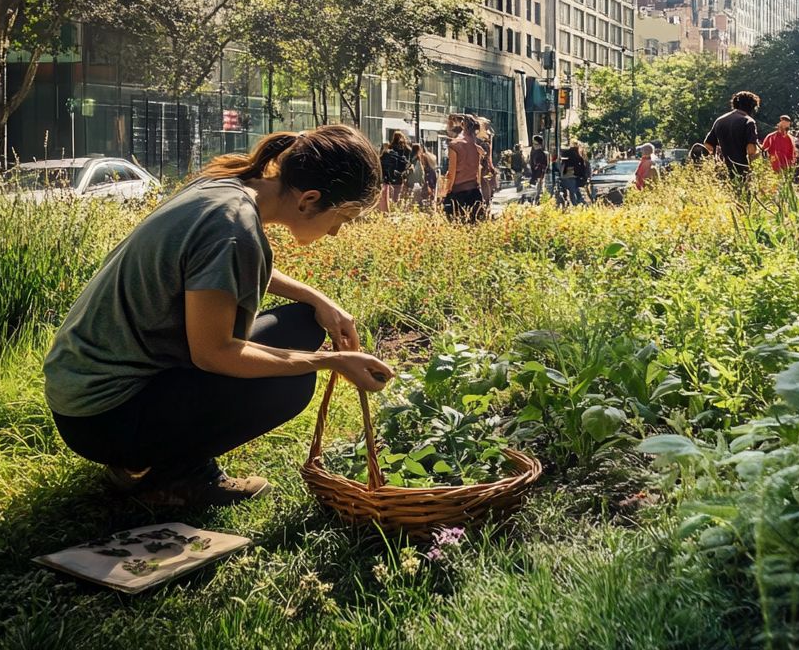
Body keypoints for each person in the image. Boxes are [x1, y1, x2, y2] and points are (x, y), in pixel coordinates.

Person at [42, 126, 394, 507]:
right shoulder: (233, 229)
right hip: (102, 415)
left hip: (87, 388)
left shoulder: (227, 188)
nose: (337, 233)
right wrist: (333, 361)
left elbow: (216, 269)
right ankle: (171, 475)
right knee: (291, 385)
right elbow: (214, 354)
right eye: (344, 218)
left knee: (303, 323)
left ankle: (153, 458)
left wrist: (317, 299)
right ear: (309, 200)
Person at [703, 91, 761, 177]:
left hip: (721, 170)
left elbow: (708, 145)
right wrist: (759, 153)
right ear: (751, 107)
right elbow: (751, 150)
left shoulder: (720, 120)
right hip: (741, 171)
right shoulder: (748, 121)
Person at [439, 113, 485, 222]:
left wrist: (446, 190)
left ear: (462, 125)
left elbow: (452, 171)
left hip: (458, 193)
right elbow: (478, 172)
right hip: (474, 193)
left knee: (456, 226)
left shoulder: (455, 145)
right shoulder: (476, 148)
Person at [380, 131, 412, 208]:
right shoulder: (407, 149)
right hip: (399, 176)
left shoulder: (390, 148)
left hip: (389, 175)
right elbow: (407, 164)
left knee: (389, 195)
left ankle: (390, 206)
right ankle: (396, 207)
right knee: (397, 194)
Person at [529, 135, 549, 201]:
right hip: (536, 174)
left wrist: (539, 175)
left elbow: (542, 165)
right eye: (533, 143)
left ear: (539, 144)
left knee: (539, 189)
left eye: (535, 144)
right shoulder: (534, 152)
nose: (534, 145)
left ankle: (538, 199)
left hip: (539, 175)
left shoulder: (541, 153)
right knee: (538, 189)